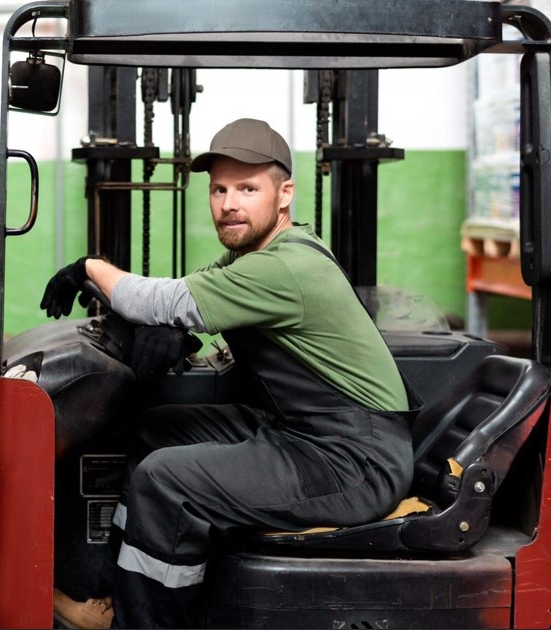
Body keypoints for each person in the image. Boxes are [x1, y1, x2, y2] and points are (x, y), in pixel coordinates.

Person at [40, 118, 420, 628]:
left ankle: (150, 623)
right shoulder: (263, 252)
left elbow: (167, 298)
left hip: (353, 459)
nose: (229, 203)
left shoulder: (284, 267)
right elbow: (192, 293)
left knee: (167, 479)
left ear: (285, 194)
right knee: (154, 430)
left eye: (247, 188)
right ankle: (111, 593)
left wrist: (89, 267)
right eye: (219, 189)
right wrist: (175, 325)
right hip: (305, 433)